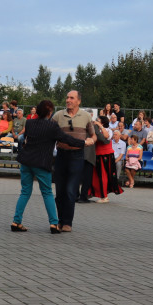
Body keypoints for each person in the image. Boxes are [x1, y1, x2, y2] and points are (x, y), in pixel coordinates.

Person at [12, 99, 93, 232]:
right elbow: (66, 139)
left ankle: (16, 221)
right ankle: (54, 223)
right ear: (50, 113)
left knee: (25, 192)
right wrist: (84, 143)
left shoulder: (30, 123)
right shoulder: (52, 127)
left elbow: (26, 138)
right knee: (47, 193)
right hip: (41, 163)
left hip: (26, 162)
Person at [51, 90, 95, 232]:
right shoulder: (58, 116)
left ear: (78, 101)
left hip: (77, 156)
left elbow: (93, 135)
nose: (68, 100)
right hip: (61, 156)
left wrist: (90, 140)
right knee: (60, 192)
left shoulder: (86, 116)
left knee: (70, 191)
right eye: (67, 97)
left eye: (71, 98)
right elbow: (49, 133)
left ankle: (67, 223)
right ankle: (59, 220)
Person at [90, 115, 123, 202]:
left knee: (103, 175)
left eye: (98, 120)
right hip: (98, 154)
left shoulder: (108, 130)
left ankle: (104, 196)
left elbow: (106, 136)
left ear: (102, 122)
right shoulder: (95, 129)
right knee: (96, 176)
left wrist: (100, 126)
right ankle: (94, 193)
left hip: (106, 155)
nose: (96, 121)